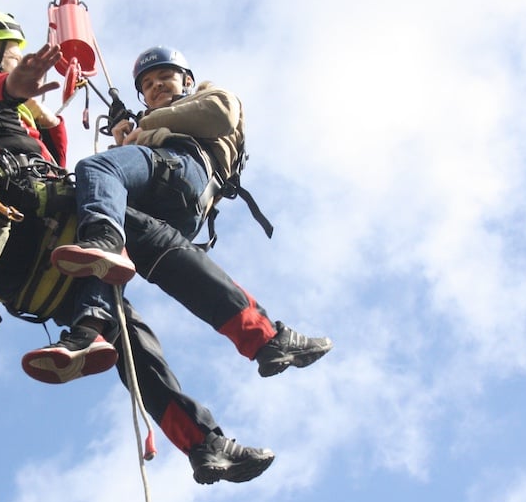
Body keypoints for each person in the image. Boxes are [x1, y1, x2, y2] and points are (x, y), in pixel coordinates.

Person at [0, 9, 332, 484]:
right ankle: (262, 335)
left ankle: (199, 442)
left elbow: (52, 153)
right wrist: (13, 87)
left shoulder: (2, 120)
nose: (19, 56)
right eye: (11, 49)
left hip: (14, 265)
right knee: (150, 238)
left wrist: (41, 111)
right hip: (20, 221)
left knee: (126, 338)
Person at [24, 46, 333, 382]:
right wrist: (124, 141)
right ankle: (90, 330)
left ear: (186, 80)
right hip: (167, 205)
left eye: (164, 77)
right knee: (124, 259)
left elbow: (221, 114)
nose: (156, 86)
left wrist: (144, 125)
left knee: (95, 173)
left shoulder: (208, 96)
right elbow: (113, 183)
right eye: (148, 84)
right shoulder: (145, 130)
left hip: (183, 168)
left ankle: (106, 240)